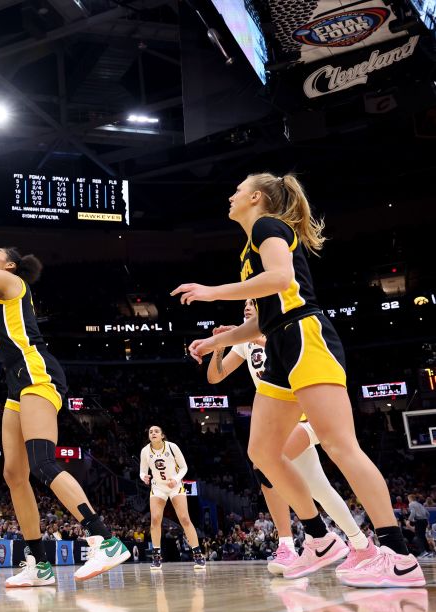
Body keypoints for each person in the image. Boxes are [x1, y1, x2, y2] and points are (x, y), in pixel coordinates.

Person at [174, 172, 424, 587]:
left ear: (255, 197)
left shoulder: (269, 227)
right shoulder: (249, 244)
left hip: (306, 337)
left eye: (237, 190)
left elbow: (282, 280)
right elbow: (264, 323)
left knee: (342, 446)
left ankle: (398, 555)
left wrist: (211, 292)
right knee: (263, 452)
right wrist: (209, 343)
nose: (231, 196)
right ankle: (321, 539)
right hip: (279, 344)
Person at [0, 223, 129, 586]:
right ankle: (40, 564)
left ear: (10, 266)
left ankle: (105, 539)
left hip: (38, 373)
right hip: (16, 386)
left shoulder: (13, 285)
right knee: (14, 474)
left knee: (43, 462)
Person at [207, 298, 369, 577]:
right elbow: (215, 377)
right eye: (244, 303)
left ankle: (291, 544)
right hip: (284, 422)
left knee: (266, 466)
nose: (247, 306)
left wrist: (253, 336)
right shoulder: (244, 343)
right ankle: (362, 545)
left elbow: (286, 350)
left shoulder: (281, 329)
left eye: (252, 302)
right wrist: (218, 349)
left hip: (310, 412)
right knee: (320, 490)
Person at [139, 426, 206, 570]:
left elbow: (184, 467)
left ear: (162, 435)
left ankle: (198, 555)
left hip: (175, 486)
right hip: (158, 487)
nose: (153, 433)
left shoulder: (172, 447)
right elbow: (142, 471)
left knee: (185, 519)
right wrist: (144, 477)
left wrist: (176, 480)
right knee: (155, 519)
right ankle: (157, 557)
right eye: (150, 432)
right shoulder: (145, 451)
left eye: (156, 431)